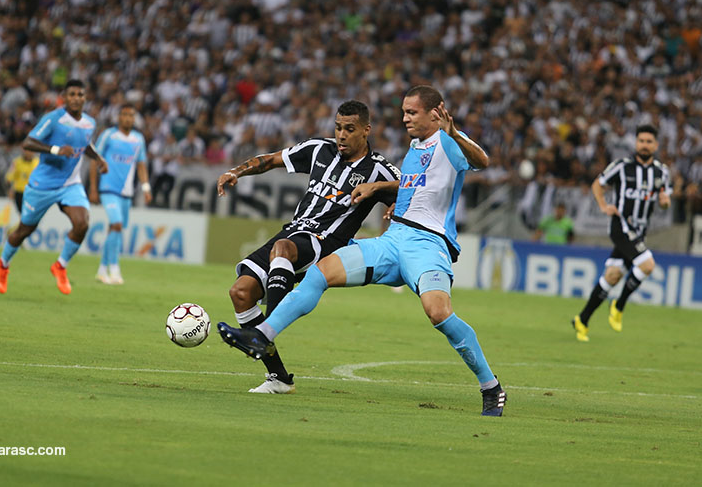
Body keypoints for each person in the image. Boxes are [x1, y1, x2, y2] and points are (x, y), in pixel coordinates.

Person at [217, 86, 507, 416]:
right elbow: (413, 185)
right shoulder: (414, 148)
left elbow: (481, 161)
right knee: (319, 273)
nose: (405, 118)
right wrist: (380, 189)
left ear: (435, 112)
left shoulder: (448, 142)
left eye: (412, 112)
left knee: (438, 313)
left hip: (427, 244)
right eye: (403, 112)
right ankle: (261, 335)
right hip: (393, 240)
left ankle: (491, 386)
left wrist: (454, 132)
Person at [216, 100, 401, 394]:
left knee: (283, 249)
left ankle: (269, 327)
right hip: (294, 232)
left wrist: (392, 206)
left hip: (327, 242)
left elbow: (410, 190)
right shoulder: (318, 149)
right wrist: (237, 171)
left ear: (366, 130)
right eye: (338, 127)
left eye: (349, 129)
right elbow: (273, 159)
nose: (341, 135)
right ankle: (278, 378)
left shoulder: (378, 169)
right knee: (240, 293)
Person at [0, 79, 108, 295]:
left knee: (82, 224)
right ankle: (3, 264)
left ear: (85, 98)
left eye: (80, 94)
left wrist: (98, 158)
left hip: (71, 185)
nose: (76, 98)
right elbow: (28, 143)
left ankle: (60, 266)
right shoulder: (54, 119)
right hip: (42, 186)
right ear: (64, 97)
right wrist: (55, 150)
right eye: (71, 94)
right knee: (25, 230)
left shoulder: (89, 123)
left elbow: (84, 144)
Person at [572, 125, 671, 341]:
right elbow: (598, 184)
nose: (644, 145)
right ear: (636, 143)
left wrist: (664, 202)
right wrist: (603, 205)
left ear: (655, 145)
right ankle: (619, 304)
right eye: (641, 140)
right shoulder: (621, 166)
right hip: (621, 228)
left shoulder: (661, 172)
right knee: (647, 265)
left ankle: (582, 319)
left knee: (613, 276)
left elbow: (664, 199)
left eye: (649, 141)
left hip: (639, 232)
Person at [89, 103, 152, 285]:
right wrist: (93, 188)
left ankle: (102, 270)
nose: (127, 118)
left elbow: (141, 165)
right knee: (116, 225)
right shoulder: (109, 135)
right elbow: (95, 159)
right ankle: (115, 269)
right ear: (118, 117)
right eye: (124, 114)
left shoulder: (138, 139)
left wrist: (146, 188)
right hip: (108, 189)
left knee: (115, 229)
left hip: (127, 192)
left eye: (131, 115)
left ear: (134, 118)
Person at [5, 148, 39, 213]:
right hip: (20, 193)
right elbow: (9, 177)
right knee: (22, 214)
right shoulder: (17, 162)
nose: (29, 153)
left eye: (31, 150)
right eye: (28, 150)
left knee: (32, 214)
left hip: (32, 193)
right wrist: (10, 189)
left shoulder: (37, 163)